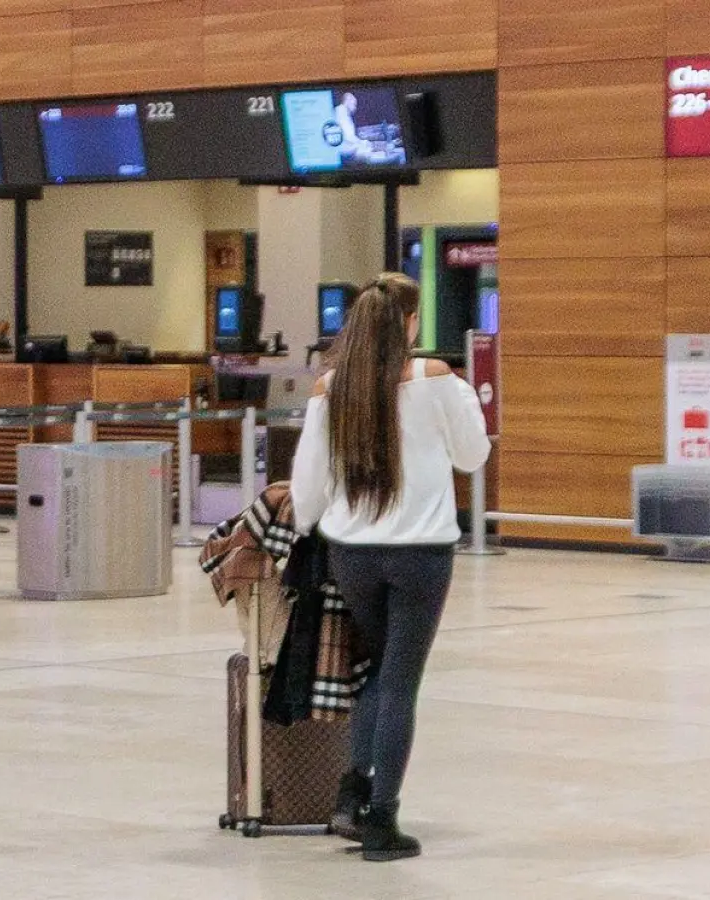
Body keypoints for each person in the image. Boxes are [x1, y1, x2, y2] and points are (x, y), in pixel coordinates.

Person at [289, 273, 490, 862]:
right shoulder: (436, 379)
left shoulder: (331, 388)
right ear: (409, 323)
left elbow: (309, 487)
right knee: (401, 678)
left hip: (352, 552)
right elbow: (473, 455)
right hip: (421, 553)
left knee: (379, 670)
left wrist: (310, 527)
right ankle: (382, 820)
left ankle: (353, 792)